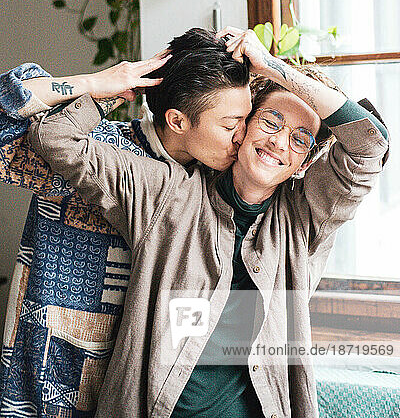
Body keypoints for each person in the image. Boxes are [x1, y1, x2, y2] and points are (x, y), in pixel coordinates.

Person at [27, 27, 388, 418]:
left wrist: (272, 67)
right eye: (270, 121)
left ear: (304, 163)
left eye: (300, 139)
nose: (279, 142)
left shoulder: (306, 219)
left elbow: (369, 143)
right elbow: (55, 138)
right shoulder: (167, 194)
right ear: (244, 124)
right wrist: (111, 90)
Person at [0, 28, 251, 417]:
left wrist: (268, 65)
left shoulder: (222, 184)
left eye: (245, 121)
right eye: (230, 124)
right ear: (178, 120)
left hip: (140, 386)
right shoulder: (92, 147)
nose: (242, 137)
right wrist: (97, 84)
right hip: (51, 374)